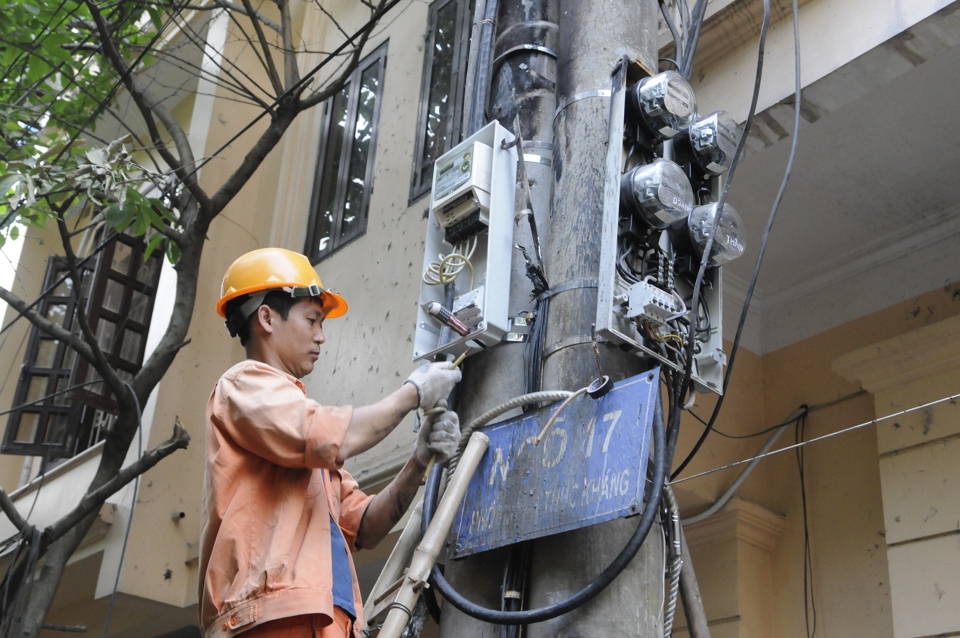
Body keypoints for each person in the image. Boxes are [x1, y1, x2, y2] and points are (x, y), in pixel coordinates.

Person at [199, 247, 461, 638]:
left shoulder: (301, 437)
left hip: (325, 622)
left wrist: (418, 459)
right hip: (270, 620)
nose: (321, 337)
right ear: (267, 318)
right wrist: (413, 393)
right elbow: (332, 438)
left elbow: (367, 527)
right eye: (312, 320)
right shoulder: (243, 386)